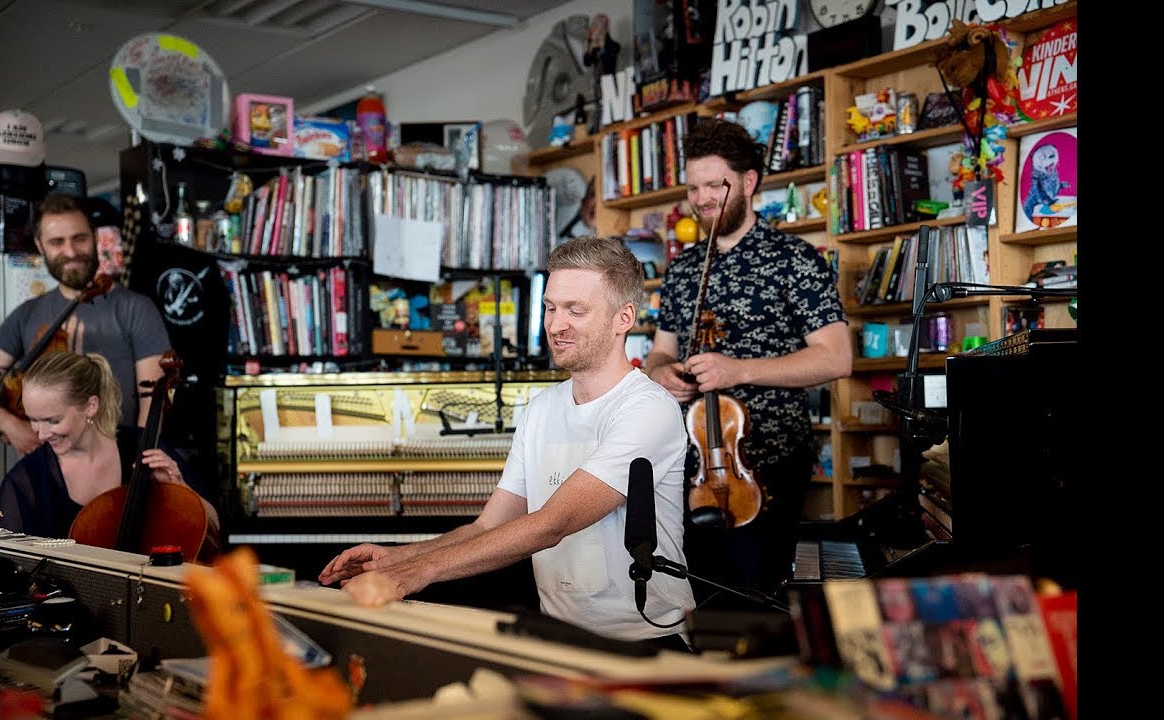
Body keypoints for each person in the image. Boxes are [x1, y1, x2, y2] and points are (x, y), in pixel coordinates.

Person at [319, 236, 696, 650]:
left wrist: (417, 574)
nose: (556, 324)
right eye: (551, 307)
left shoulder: (647, 409)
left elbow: (551, 524)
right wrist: (400, 557)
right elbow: (490, 526)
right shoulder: (541, 410)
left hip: (645, 641)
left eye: (576, 310)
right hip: (560, 639)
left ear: (623, 317)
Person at [644, 119, 852, 599]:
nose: (700, 199)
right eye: (692, 187)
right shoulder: (684, 268)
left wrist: (740, 370)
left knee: (754, 595)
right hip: (690, 462)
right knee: (693, 592)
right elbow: (661, 350)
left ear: (748, 181)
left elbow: (837, 358)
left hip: (768, 462)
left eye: (713, 185)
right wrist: (662, 374)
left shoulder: (794, 259)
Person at [0, 192, 172, 458]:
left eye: (79, 238)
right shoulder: (26, 314)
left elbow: (153, 408)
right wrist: (11, 425)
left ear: (94, 236)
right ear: (40, 245)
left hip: (115, 465)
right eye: (57, 242)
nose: (70, 252)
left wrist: (137, 464)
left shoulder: (136, 309)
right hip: (47, 474)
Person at [0, 350, 220, 555]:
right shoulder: (25, 481)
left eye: (53, 420)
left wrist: (180, 487)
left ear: (90, 406)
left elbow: (213, 528)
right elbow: (14, 571)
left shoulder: (144, 448)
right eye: (33, 419)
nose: (41, 435)